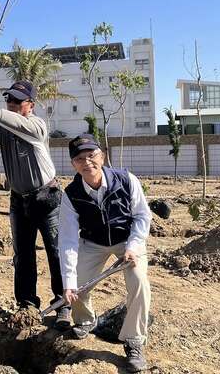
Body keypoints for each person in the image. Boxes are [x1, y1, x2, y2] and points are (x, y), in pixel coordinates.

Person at [0, 80, 72, 329]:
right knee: (22, 255)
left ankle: (63, 305)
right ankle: (26, 304)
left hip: (47, 198)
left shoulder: (37, 125)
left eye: (17, 101)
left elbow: (19, 125)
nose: (11, 104)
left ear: (30, 105)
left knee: (56, 252)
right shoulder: (2, 125)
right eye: (8, 100)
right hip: (19, 200)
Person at [58, 134, 151, 373]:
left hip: (127, 241)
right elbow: (68, 240)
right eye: (80, 158)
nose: (87, 162)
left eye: (91, 155)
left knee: (139, 281)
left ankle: (134, 341)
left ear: (102, 156)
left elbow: (142, 215)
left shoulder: (126, 179)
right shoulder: (71, 194)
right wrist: (68, 283)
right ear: (73, 165)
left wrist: (133, 246)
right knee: (76, 284)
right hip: (93, 242)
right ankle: (86, 320)